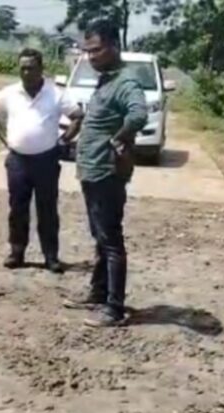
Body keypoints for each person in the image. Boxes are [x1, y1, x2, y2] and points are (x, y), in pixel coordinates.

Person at [65, 19, 148, 327]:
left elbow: (138, 114)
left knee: (111, 240)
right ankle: (98, 294)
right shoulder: (106, 80)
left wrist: (119, 138)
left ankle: (114, 309)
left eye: (96, 50)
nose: (91, 57)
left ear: (115, 46)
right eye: (87, 51)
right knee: (100, 237)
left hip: (106, 173)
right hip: (93, 172)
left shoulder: (126, 82)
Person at [0, 48, 84, 273]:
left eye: (31, 68)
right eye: (22, 68)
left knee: (47, 209)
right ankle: (16, 253)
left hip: (46, 160)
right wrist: (5, 140)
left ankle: (51, 256)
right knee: (17, 208)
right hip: (18, 161)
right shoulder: (10, 93)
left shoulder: (56, 93)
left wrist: (63, 141)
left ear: (41, 69)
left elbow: (77, 117)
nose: (26, 73)